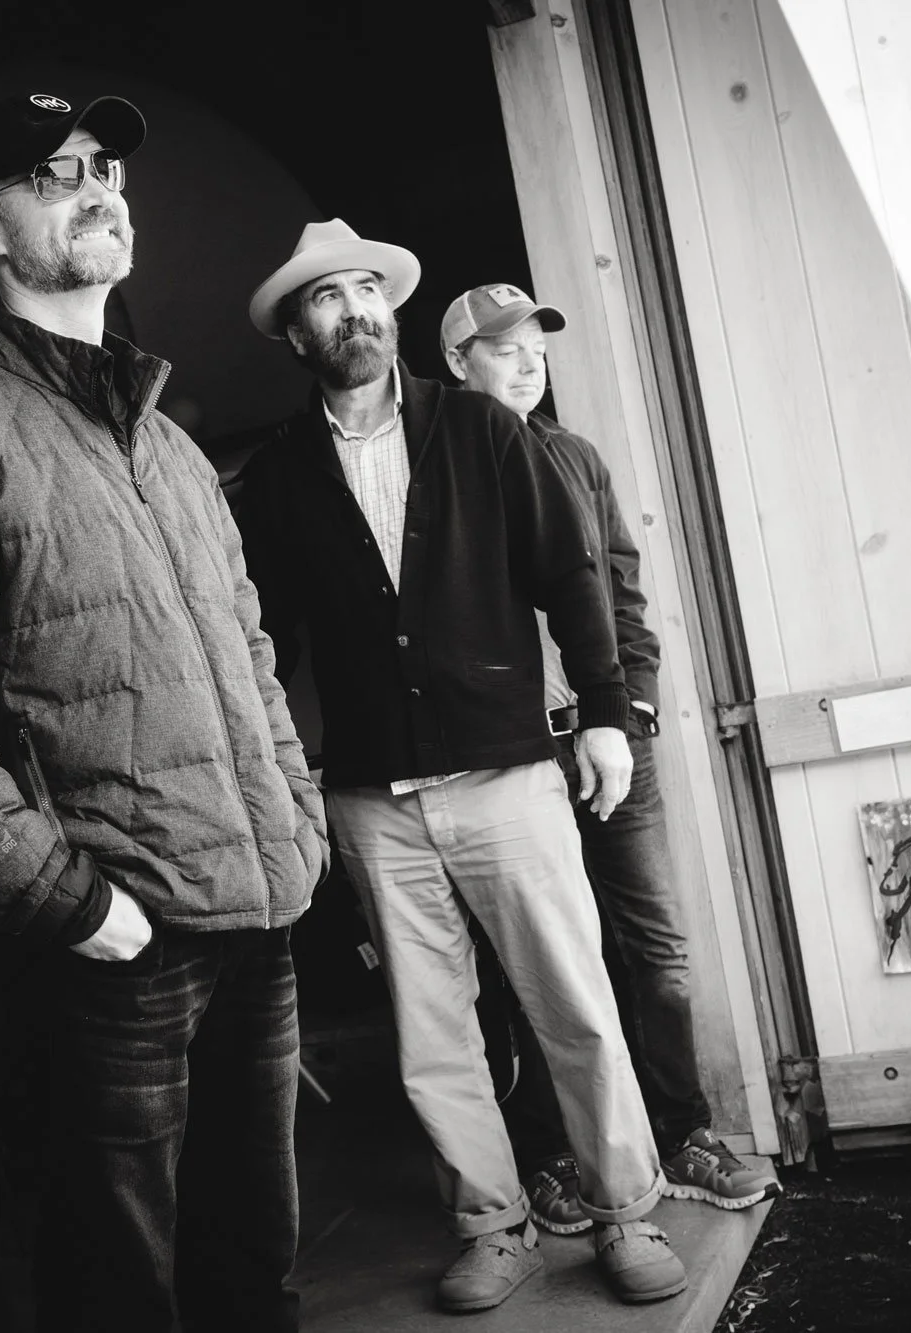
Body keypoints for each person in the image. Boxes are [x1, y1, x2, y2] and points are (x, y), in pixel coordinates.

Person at [0, 91, 327, 1333]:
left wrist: (301, 821)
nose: (92, 184)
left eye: (104, 164)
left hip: (259, 907)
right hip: (114, 937)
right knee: (116, 1282)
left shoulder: (169, 446)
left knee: (252, 1260)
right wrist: (66, 899)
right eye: (51, 173)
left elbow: (251, 648)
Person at [235, 220, 685, 1312]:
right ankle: (492, 1224)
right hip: (370, 798)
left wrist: (610, 717)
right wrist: (285, 773)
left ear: (389, 311)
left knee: (573, 1006)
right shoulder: (277, 474)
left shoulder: (480, 429)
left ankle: (625, 1210)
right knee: (431, 1036)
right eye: (323, 299)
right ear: (297, 334)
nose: (351, 310)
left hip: (506, 774)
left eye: (363, 290)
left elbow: (571, 577)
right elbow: (256, 636)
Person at [441, 283, 780, 1230]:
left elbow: (622, 598)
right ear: (456, 364)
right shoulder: (437, 475)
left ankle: (683, 1133)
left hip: (607, 743)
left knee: (654, 946)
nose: (526, 359)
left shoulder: (575, 459)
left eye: (535, 343)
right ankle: (555, 1157)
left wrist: (623, 718)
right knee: (532, 963)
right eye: (501, 345)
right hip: (508, 758)